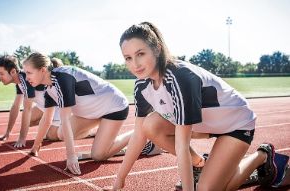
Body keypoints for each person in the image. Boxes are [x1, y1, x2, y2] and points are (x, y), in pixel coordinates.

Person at [108, 22, 280, 190]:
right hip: (205, 124)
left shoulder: (180, 78)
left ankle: (261, 156)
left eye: (141, 54)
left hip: (235, 124)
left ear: (157, 49)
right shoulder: (142, 85)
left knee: (208, 189)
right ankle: (200, 164)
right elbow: (139, 135)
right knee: (150, 125)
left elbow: (181, 145)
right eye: (128, 58)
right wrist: (119, 180)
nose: (135, 64)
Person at [23, 52, 159, 175]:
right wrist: (35, 147)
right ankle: (102, 134)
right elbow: (46, 119)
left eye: (29, 72)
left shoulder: (62, 78)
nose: (26, 77)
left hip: (113, 106)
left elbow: (65, 119)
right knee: (62, 133)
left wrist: (71, 156)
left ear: (42, 70)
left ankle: (142, 131)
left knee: (98, 156)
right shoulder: (49, 88)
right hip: (91, 112)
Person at [0, 55, 61, 147]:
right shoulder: (18, 81)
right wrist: (7, 133)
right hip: (43, 107)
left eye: (1, 74)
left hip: (56, 108)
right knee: (27, 121)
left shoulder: (26, 79)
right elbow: (15, 107)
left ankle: (85, 130)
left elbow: (27, 109)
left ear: (13, 71)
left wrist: (22, 139)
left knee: (50, 136)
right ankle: (49, 124)